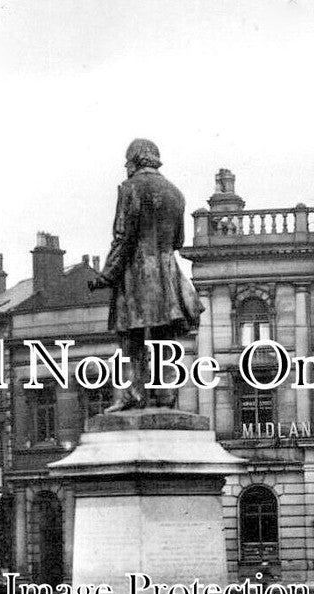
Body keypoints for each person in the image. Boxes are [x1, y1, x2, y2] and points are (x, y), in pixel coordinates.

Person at [91, 138, 203, 412]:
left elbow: (123, 237)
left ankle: (131, 393)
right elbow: (178, 240)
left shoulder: (130, 189)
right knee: (165, 337)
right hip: (166, 273)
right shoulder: (176, 194)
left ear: (135, 161)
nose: (126, 167)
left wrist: (107, 275)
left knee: (131, 337)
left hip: (137, 273)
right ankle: (166, 394)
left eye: (128, 162)